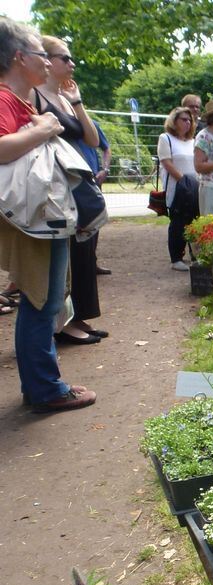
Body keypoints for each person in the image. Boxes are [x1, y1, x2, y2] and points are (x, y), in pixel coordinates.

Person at [0, 17, 97, 412]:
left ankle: (43, 383)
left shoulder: (19, 100)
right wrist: (43, 128)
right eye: (41, 54)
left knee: (46, 299)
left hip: (40, 216)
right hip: (32, 220)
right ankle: (44, 388)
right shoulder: (5, 98)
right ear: (21, 58)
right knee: (42, 300)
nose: (46, 61)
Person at [36, 34, 106, 345]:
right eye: (66, 58)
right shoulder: (35, 97)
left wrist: (77, 103)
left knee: (84, 252)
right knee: (65, 258)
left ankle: (79, 317)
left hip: (79, 184)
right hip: (58, 186)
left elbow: (92, 139)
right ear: (48, 61)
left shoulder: (65, 98)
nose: (72, 63)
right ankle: (61, 325)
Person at [158, 106, 198, 270]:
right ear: (174, 121)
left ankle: (195, 254)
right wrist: (184, 181)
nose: (188, 123)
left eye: (190, 120)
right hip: (178, 186)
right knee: (179, 221)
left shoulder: (193, 141)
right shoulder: (166, 138)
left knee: (195, 219)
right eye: (183, 119)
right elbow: (166, 162)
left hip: (194, 185)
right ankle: (176, 258)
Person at [77, 119, 111, 274]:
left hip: (93, 179)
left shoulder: (91, 124)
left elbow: (106, 148)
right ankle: (81, 264)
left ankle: (91, 261)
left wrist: (105, 169)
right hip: (74, 180)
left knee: (94, 221)